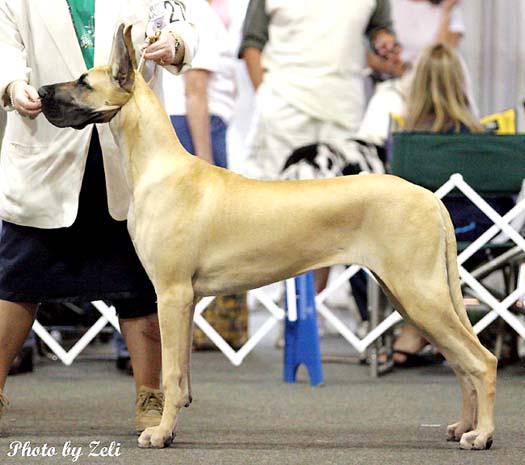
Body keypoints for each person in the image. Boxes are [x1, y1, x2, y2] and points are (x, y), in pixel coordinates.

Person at [0, 0, 197, 433]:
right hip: (45, 149)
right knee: (15, 282)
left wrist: (176, 44)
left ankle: (151, 395)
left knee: (140, 286)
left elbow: (181, 22)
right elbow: (4, 46)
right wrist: (12, 85)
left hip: (127, 155)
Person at [390, 43, 514, 366]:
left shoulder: (404, 145)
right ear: (461, 83)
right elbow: (505, 202)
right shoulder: (488, 142)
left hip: (420, 238)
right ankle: (487, 330)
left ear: (417, 86)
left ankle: (415, 328)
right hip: (483, 238)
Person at [358, 0, 468, 147]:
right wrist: (395, 67)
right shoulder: (390, 5)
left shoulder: (448, 7)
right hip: (399, 85)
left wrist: (446, 12)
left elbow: (443, 54)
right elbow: (371, 51)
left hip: (437, 88)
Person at [163, 0, 236, 168]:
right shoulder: (198, 12)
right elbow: (195, 87)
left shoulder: (189, 9)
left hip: (188, 122)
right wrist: (204, 158)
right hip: (196, 126)